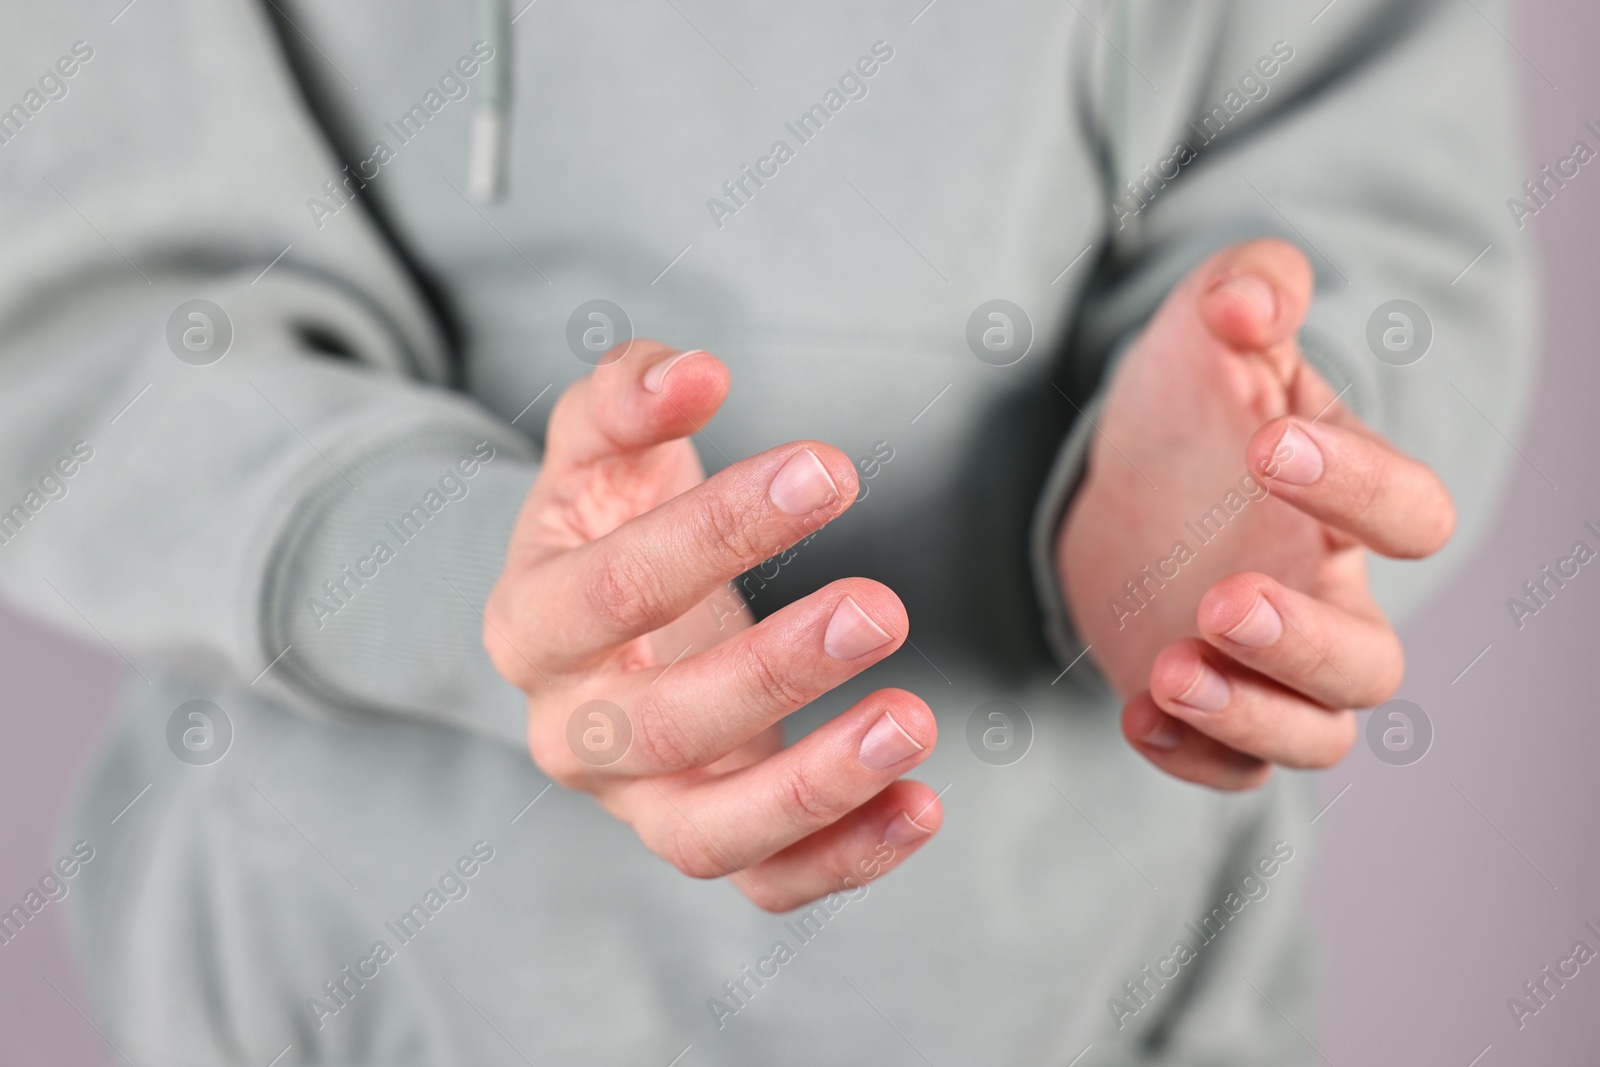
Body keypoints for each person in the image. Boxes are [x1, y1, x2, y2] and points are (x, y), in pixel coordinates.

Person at [0, 0, 1531, 1063]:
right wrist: (473, 572)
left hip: (1114, 1007)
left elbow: (1375, 183)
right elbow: (86, 301)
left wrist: (1237, 478)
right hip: (345, 1001)